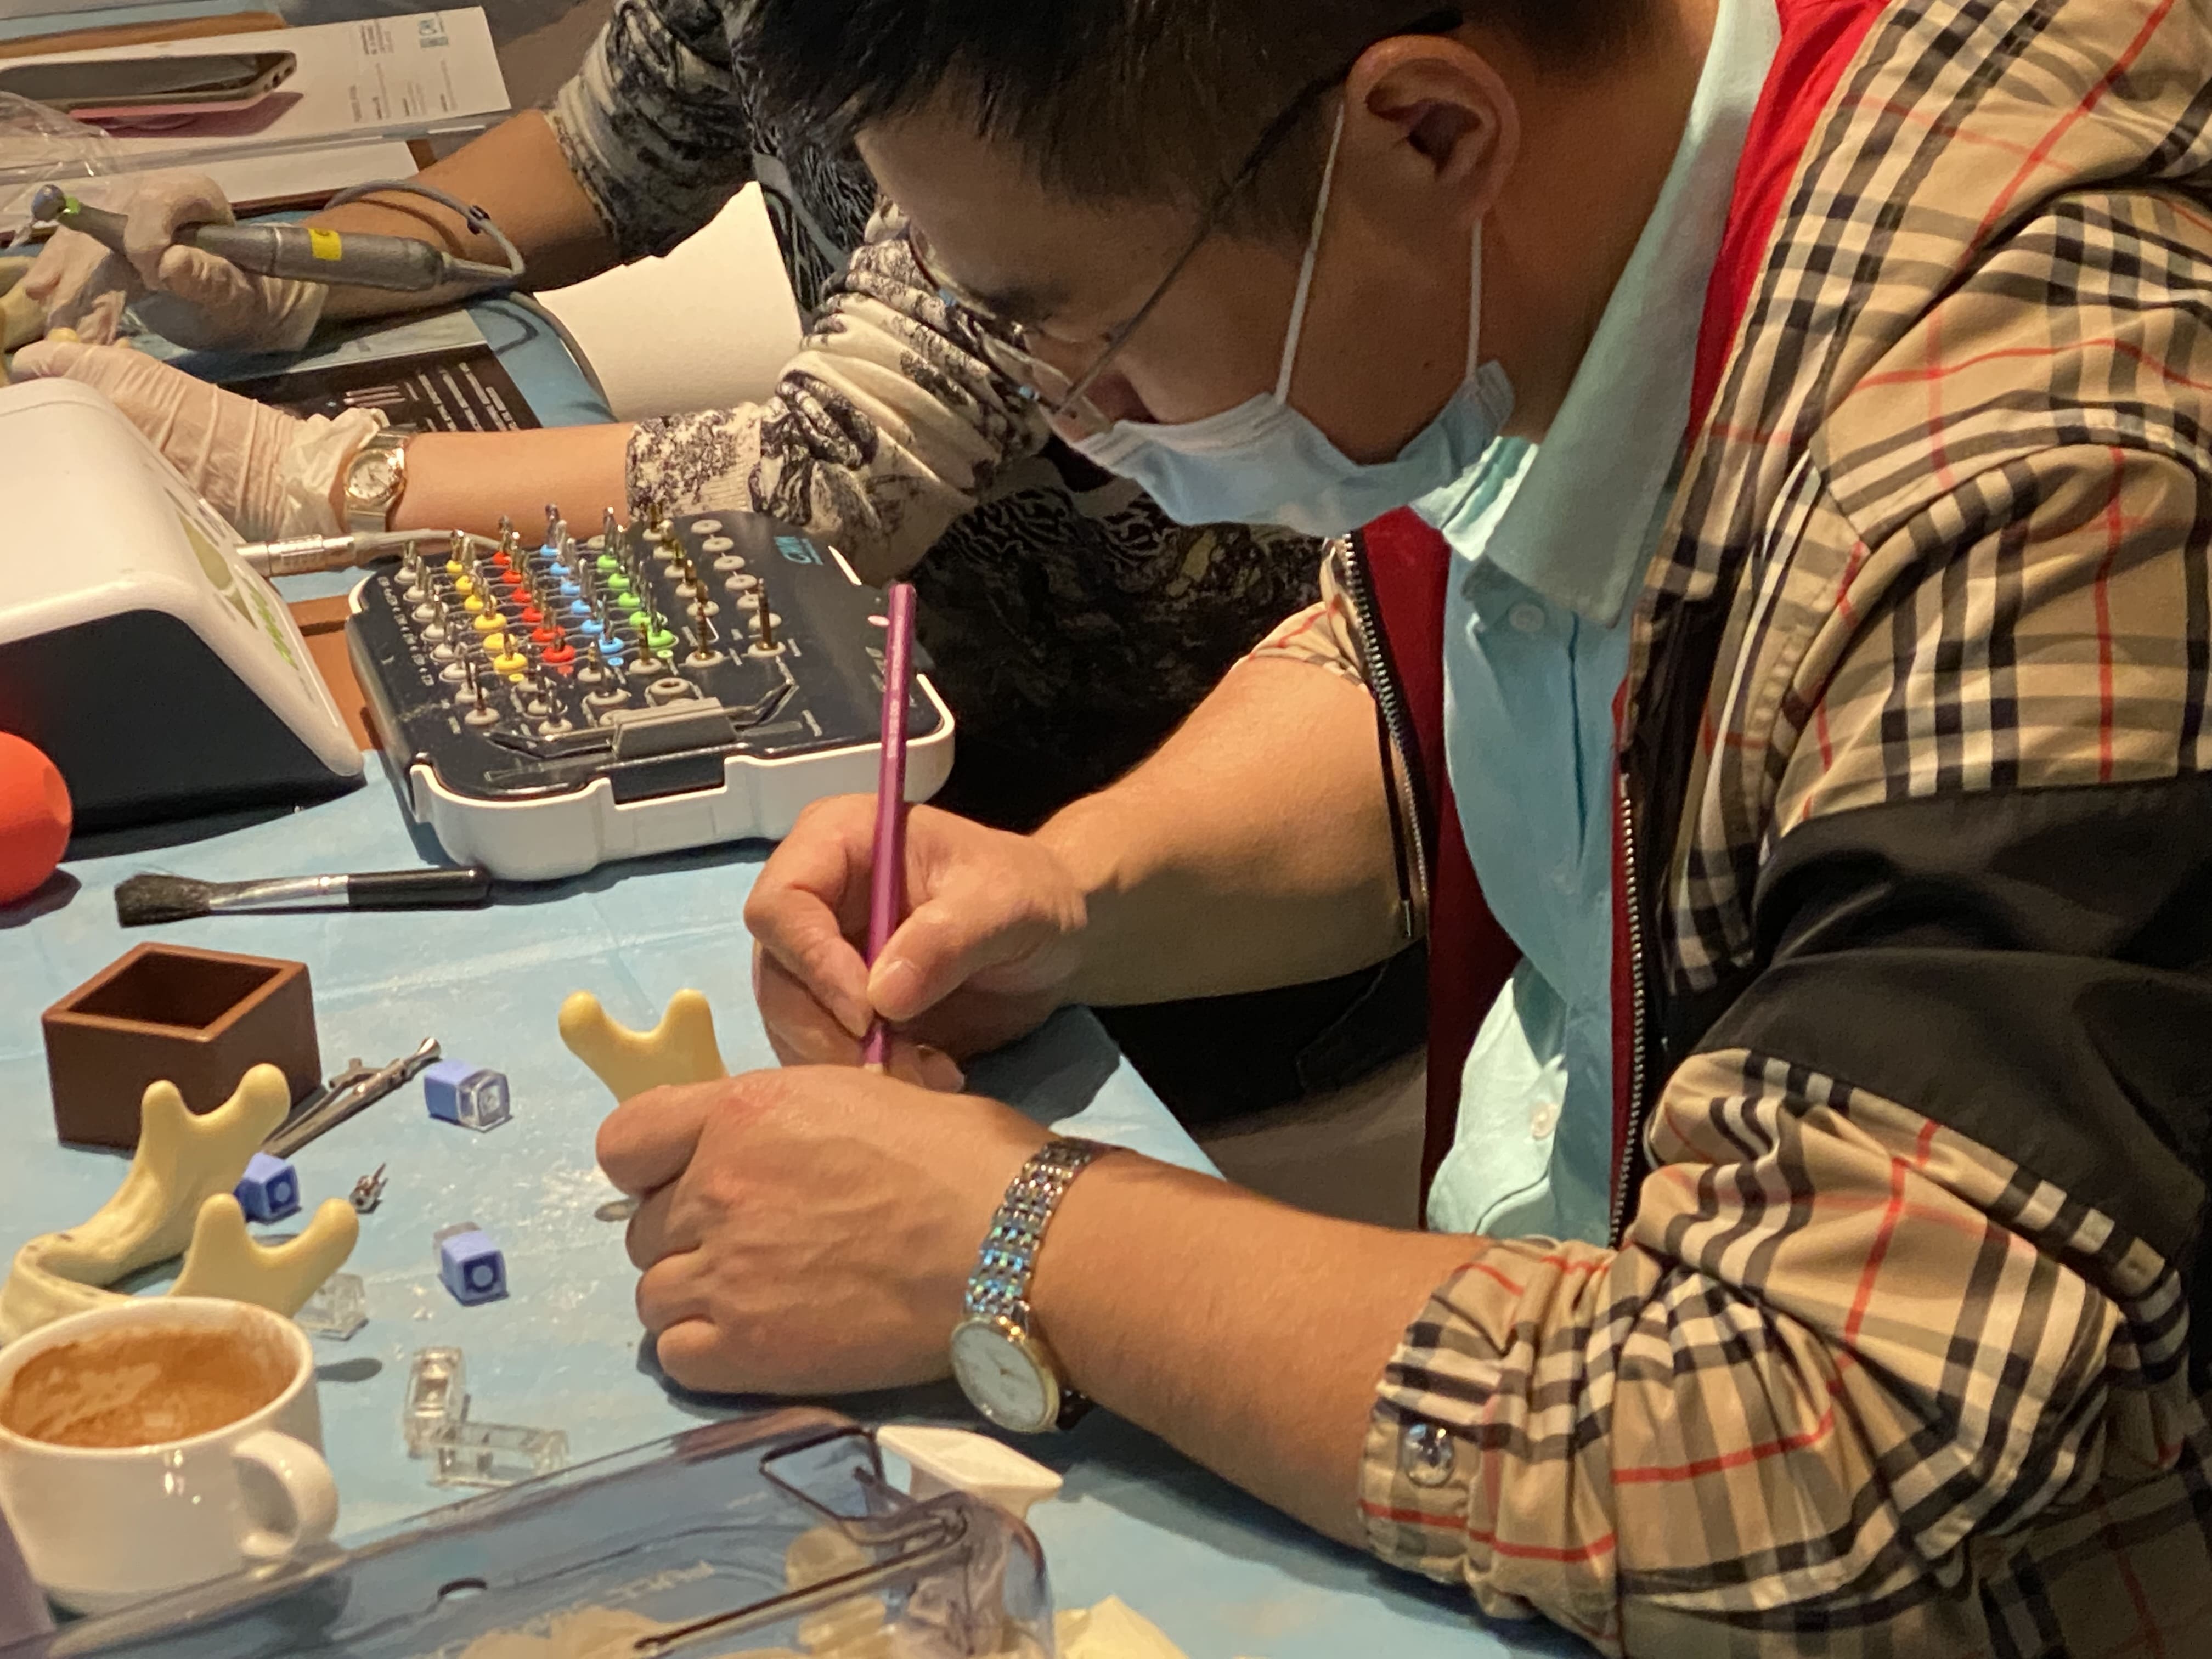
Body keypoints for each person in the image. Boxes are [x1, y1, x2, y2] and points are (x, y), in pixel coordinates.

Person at [573, 0, 2212, 1650]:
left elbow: (1815, 1454)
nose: (1071, 412)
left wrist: (1012, 1239)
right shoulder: (1555, 240)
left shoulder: (2032, 479)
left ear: (1428, 132)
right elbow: (1451, 670)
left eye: (1077, 329)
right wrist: (1074, 891)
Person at [9, 0, 1425, 1123]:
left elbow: (835, 475)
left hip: (1226, 819)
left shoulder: (1044, 76)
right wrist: (319, 255)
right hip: (1015, 804)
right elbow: (602, 153)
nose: (1086, 402)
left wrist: (319, 478)